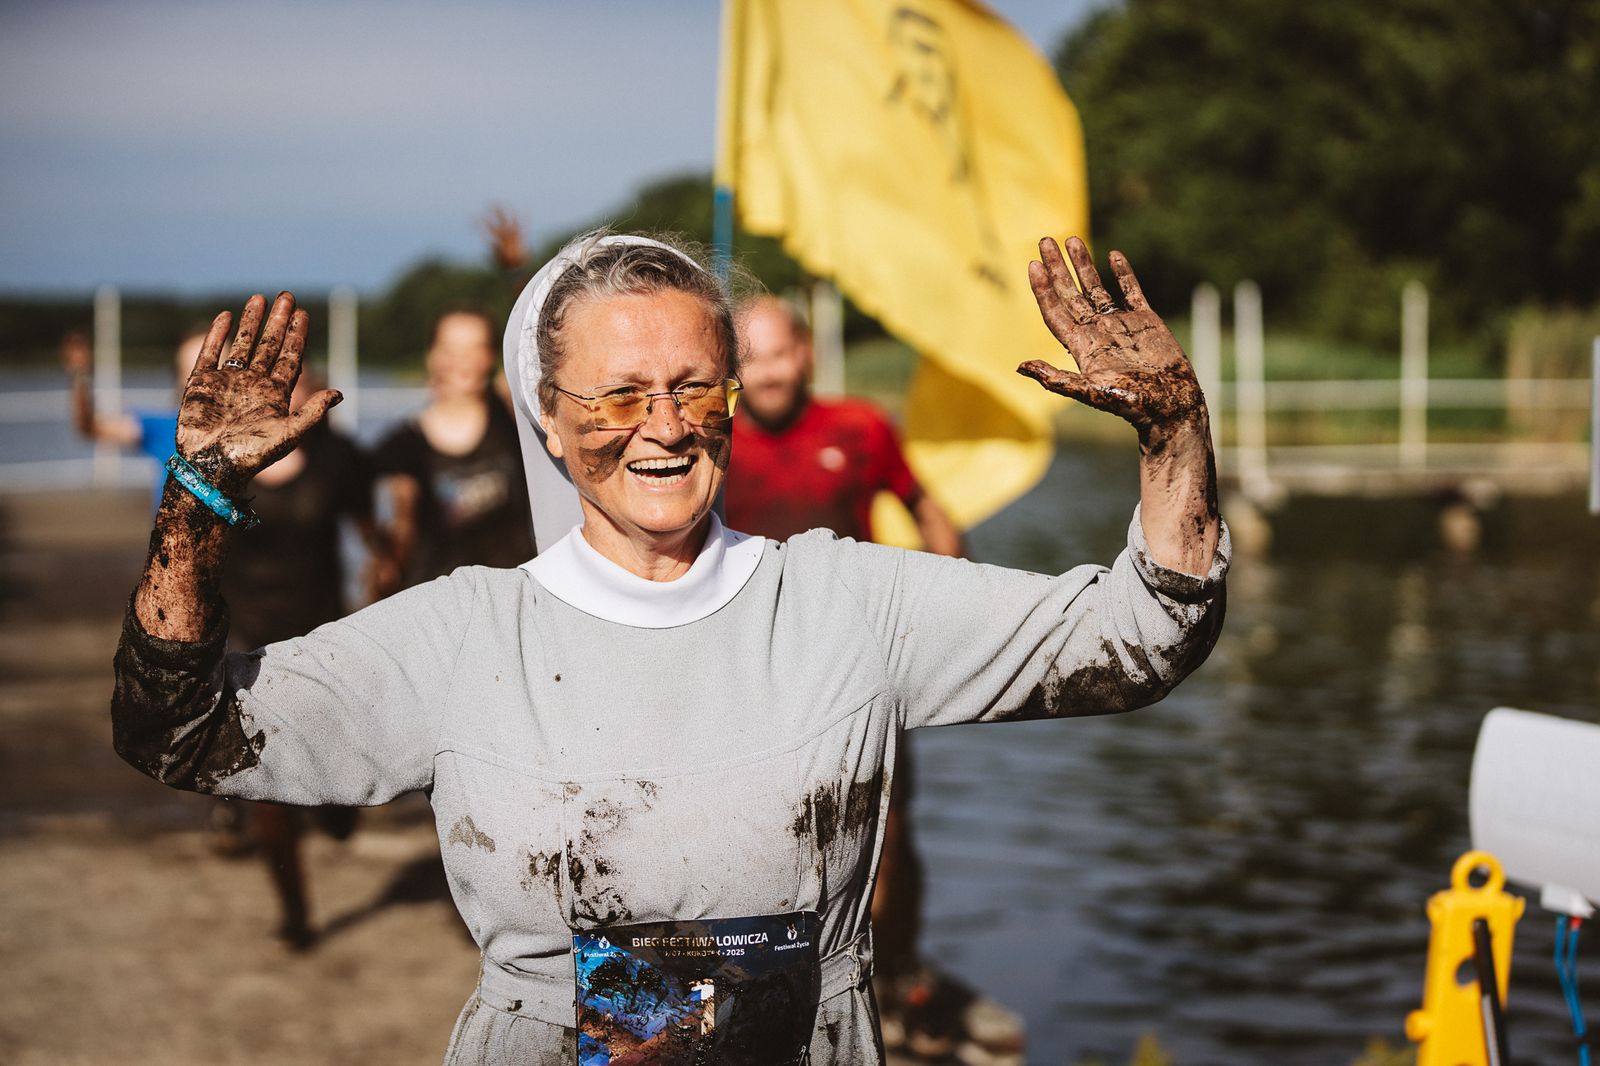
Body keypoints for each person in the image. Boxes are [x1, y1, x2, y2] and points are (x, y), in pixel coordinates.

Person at [109, 233, 1228, 1065]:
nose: (666, 423)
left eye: (696, 386)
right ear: (549, 419)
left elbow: (1145, 636)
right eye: (619, 396)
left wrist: (1175, 429)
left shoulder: (846, 599)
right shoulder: (461, 634)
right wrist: (197, 495)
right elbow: (177, 730)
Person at [726, 298, 1012, 1059]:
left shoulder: (858, 427)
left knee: (886, 832)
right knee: (752, 835)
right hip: (747, 669)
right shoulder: (711, 437)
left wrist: (962, 602)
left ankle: (896, 970)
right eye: (749, 358)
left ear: (805, 354)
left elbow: (926, 508)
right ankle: (770, 986)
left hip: (858, 662)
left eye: (778, 354)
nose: (766, 373)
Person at [371, 309, 535, 595]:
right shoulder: (403, 445)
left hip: (512, 593)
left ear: (491, 357)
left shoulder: (510, 416)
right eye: (450, 349)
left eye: (475, 348)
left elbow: (532, 342)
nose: (462, 360)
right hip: (438, 601)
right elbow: (401, 529)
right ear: (431, 356)